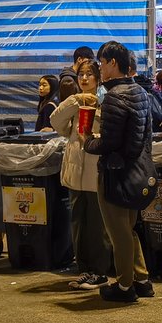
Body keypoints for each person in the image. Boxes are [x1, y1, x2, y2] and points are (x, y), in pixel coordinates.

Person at [84, 41, 153, 303]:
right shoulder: (140, 92)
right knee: (129, 227)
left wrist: (87, 140)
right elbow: (145, 136)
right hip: (137, 171)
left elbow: (109, 143)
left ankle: (125, 286)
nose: (100, 68)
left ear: (113, 63)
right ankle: (142, 279)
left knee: (118, 232)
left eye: (102, 62)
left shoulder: (114, 96)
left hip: (116, 173)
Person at [52, 58, 110, 288]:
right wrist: (75, 100)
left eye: (89, 74)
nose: (84, 78)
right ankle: (84, 269)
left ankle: (100, 271)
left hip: (95, 172)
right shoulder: (75, 103)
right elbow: (55, 121)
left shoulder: (105, 100)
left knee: (98, 226)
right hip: (75, 172)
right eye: (81, 75)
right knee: (78, 224)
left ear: (98, 78)